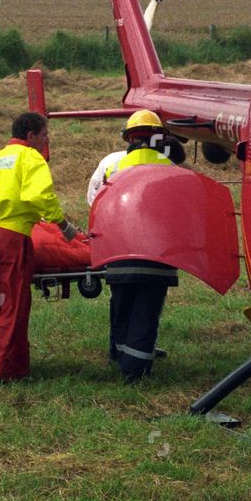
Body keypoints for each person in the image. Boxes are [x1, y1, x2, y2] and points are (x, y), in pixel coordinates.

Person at [0, 112, 78, 384]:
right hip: (14, 235)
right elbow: (38, 195)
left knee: (7, 304)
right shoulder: (30, 157)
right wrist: (62, 223)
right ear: (30, 135)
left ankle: (17, 368)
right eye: (44, 135)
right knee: (14, 307)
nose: (47, 140)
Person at [98, 110, 181, 383]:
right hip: (154, 256)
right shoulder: (169, 168)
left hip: (119, 252)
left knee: (121, 304)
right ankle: (135, 371)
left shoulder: (114, 168)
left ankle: (118, 354)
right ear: (159, 138)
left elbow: (102, 206)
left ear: (128, 139)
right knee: (145, 310)